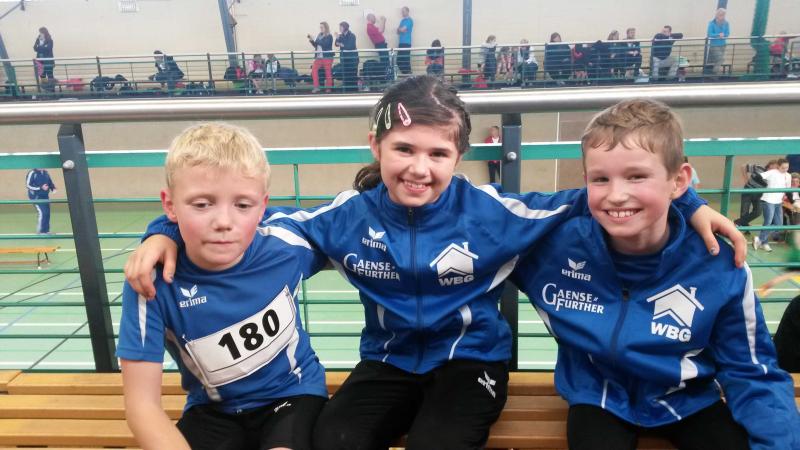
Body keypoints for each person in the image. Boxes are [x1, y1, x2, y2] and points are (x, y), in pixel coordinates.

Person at [124, 76, 745, 450]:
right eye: (403, 148)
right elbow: (249, 218)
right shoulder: (345, 218)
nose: (419, 167)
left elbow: (600, 195)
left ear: (458, 156)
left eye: (438, 153)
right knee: (336, 439)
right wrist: (164, 231)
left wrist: (688, 202)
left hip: (471, 362)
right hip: (388, 361)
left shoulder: (496, 214)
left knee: (437, 443)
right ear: (375, 146)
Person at [511, 99, 800, 450]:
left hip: (688, 398)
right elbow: (479, 216)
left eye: (636, 176)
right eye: (600, 179)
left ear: (679, 181)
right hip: (598, 396)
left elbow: (751, 371)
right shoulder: (555, 248)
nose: (617, 195)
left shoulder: (718, 264)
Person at [116, 123, 328, 450]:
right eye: (202, 204)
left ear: (262, 206)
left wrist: (160, 232)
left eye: (242, 205)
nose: (224, 222)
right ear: (170, 205)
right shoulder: (150, 280)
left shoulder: (286, 245)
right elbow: (142, 406)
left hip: (292, 395)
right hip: (212, 411)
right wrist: (160, 233)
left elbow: (356, 219)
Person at [754, 158, 791, 252]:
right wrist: (765, 186)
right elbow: (758, 176)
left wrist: (788, 198)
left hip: (778, 202)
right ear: (778, 166)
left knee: (779, 224)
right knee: (768, 221)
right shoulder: (772, 172)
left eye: (787, 167)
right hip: (768, 200)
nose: (785, 169)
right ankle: (764, 243)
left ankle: (760, 239)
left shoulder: (788, 176)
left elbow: (788, 189)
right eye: (783, 168)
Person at [734, 159, 775, 232]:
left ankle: (737, 222)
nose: (774, 169)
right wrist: (746, 179)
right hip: (748, 190)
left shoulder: (773, 176)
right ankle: (745, 229)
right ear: (769, 165)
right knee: (744, 211)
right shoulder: (759, 167)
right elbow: (743, 167)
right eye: (774, 167)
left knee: (758, 212)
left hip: (759, 194)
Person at [25, 168, 56, 234]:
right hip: (36, 197)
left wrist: (53, 188)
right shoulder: (32, 173)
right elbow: (28, 185)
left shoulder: (46, 172)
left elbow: (49, 182)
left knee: (47, 213)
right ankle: (41, 231)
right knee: (42, 213)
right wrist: (40, 188)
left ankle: (46, 231)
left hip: (45, 196)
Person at [308, 22, 334, 93]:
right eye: (320, 27)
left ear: (326, 28)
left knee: (328, 73)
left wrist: (315, 39)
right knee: (314, 70)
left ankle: (328, 88)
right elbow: (316, 45)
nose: (321, 28)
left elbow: (325, 45)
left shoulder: (329, 36)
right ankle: (316, 87)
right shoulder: (319, 35)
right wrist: (312, 40)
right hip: (319, 57)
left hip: (327, 57)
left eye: (322, 27)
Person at [334, 21, 359, 92]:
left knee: (352, 76)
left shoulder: (352, 35)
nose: (339, 29)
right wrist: (337, 38)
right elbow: (336, 44)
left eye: (341, 27)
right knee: (345, 76)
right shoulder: (341, 35)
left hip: (352, 60)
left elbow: (350, 46)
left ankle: (354, 91)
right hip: (344, 59)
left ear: (345, 27)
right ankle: (346, 90)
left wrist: (342, 44)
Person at [705, 8, 730, 77]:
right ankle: (715, 73)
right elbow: (709, 34)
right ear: (717, 15)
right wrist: (718, 35)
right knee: (720, 59)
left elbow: (727, 33)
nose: (722, 16)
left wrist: (724, 35)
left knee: (716, 60)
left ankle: (712, 76)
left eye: (723, 15)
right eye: (721, 15)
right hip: (714, 45)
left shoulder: (726, 23)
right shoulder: (712, 23)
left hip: (723, 45)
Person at [396, 6, 414, 74]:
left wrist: (400, 29)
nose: (402, 13)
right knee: (399, 61)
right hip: (401, 43)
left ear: (407, 11)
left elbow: (401, 30)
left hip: (406, 43)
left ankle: (408, 75)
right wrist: (400, 29)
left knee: (405, 61)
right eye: (402, 11)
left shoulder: (409, 20)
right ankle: (406, 74)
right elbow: (398, 32)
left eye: (403, 11)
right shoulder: (402, 21)